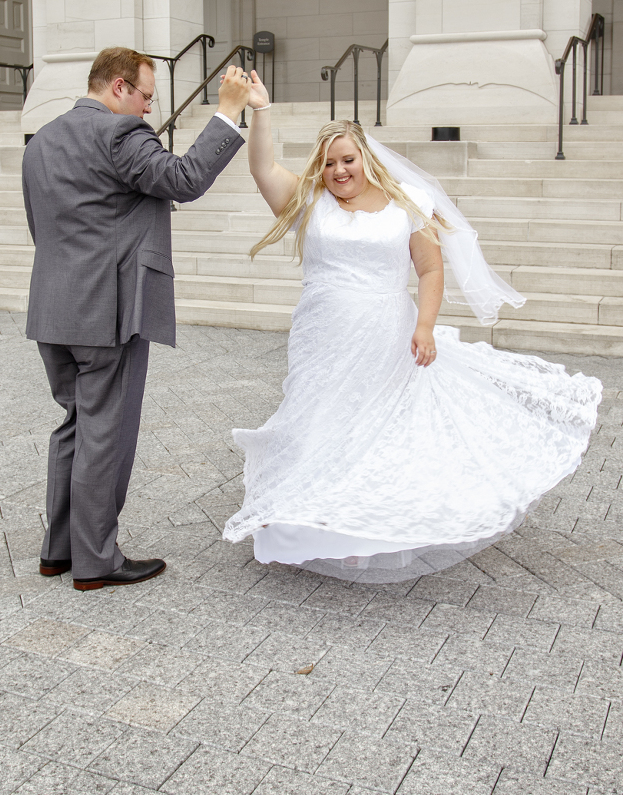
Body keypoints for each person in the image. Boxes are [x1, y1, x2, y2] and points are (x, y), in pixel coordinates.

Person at [223, 71, 602, 583]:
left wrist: (425, 327)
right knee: (315, 415)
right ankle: (300, 510)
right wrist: (261, 110)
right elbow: (262, 165)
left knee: (373, 424)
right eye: (330, 162)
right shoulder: (308, 201)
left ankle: (358, 524)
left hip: (385, 333)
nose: (339, 170)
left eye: (348, 160)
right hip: (322, 334)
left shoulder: (406, 205)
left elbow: (430, 269)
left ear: (365, 159)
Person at [23, 47, 251, 590]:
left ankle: (60, 551)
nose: (149, 110)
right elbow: (186, 178)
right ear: (120, 87)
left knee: (76, 426)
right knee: (107, 434)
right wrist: (227, 111)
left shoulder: (43, 140)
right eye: (147, 97)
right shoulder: (119, 135)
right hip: (109, 311)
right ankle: (96, 562)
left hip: (54, 306)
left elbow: (41, 226)